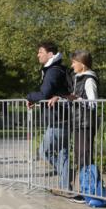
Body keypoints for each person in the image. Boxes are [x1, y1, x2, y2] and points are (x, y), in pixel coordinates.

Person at [26, 40, 70, 191]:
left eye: (40, 52)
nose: (38, 55)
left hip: (58, 118)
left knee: (44, 151)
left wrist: (29, 96)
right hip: (63, 116)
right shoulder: (58, 69)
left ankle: (66, 176)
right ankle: (65, 186)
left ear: (50, 54)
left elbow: (45, 93)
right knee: (63, 153)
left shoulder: (52, 71)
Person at [61, 50, 99, 199]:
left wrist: (77, 100)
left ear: (82, 65)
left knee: (85, 157)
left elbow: (93, 103)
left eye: (74, 62)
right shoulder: (78, 78)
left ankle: (90, 191)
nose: (72, 65)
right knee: (80, 157)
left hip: (86, 123)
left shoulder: (89, 80)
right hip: (78, 123)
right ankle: (86, 190)